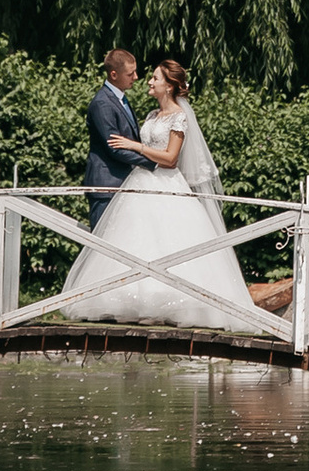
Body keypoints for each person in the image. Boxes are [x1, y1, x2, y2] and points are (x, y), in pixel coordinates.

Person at [62, 55, 270, 331]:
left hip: (166, 184)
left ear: (169, 86)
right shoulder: (150, 115)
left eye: (155, 78)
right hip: (140, 184)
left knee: (169, 242)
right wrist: (142, 154)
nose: (147, 80)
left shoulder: (180, 118)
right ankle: (130, 303)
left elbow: (171, 158)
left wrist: (137, 148)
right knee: (134, 242)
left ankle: (171, 302)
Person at [84, 49, 151, 228]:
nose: (136, 77)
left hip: (123, 184)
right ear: (114, 74)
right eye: (130, 73)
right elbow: (114, 148)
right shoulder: (102, 103)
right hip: (107, 187)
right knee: (102, 243)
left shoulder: (120, 99)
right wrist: (152, 161)